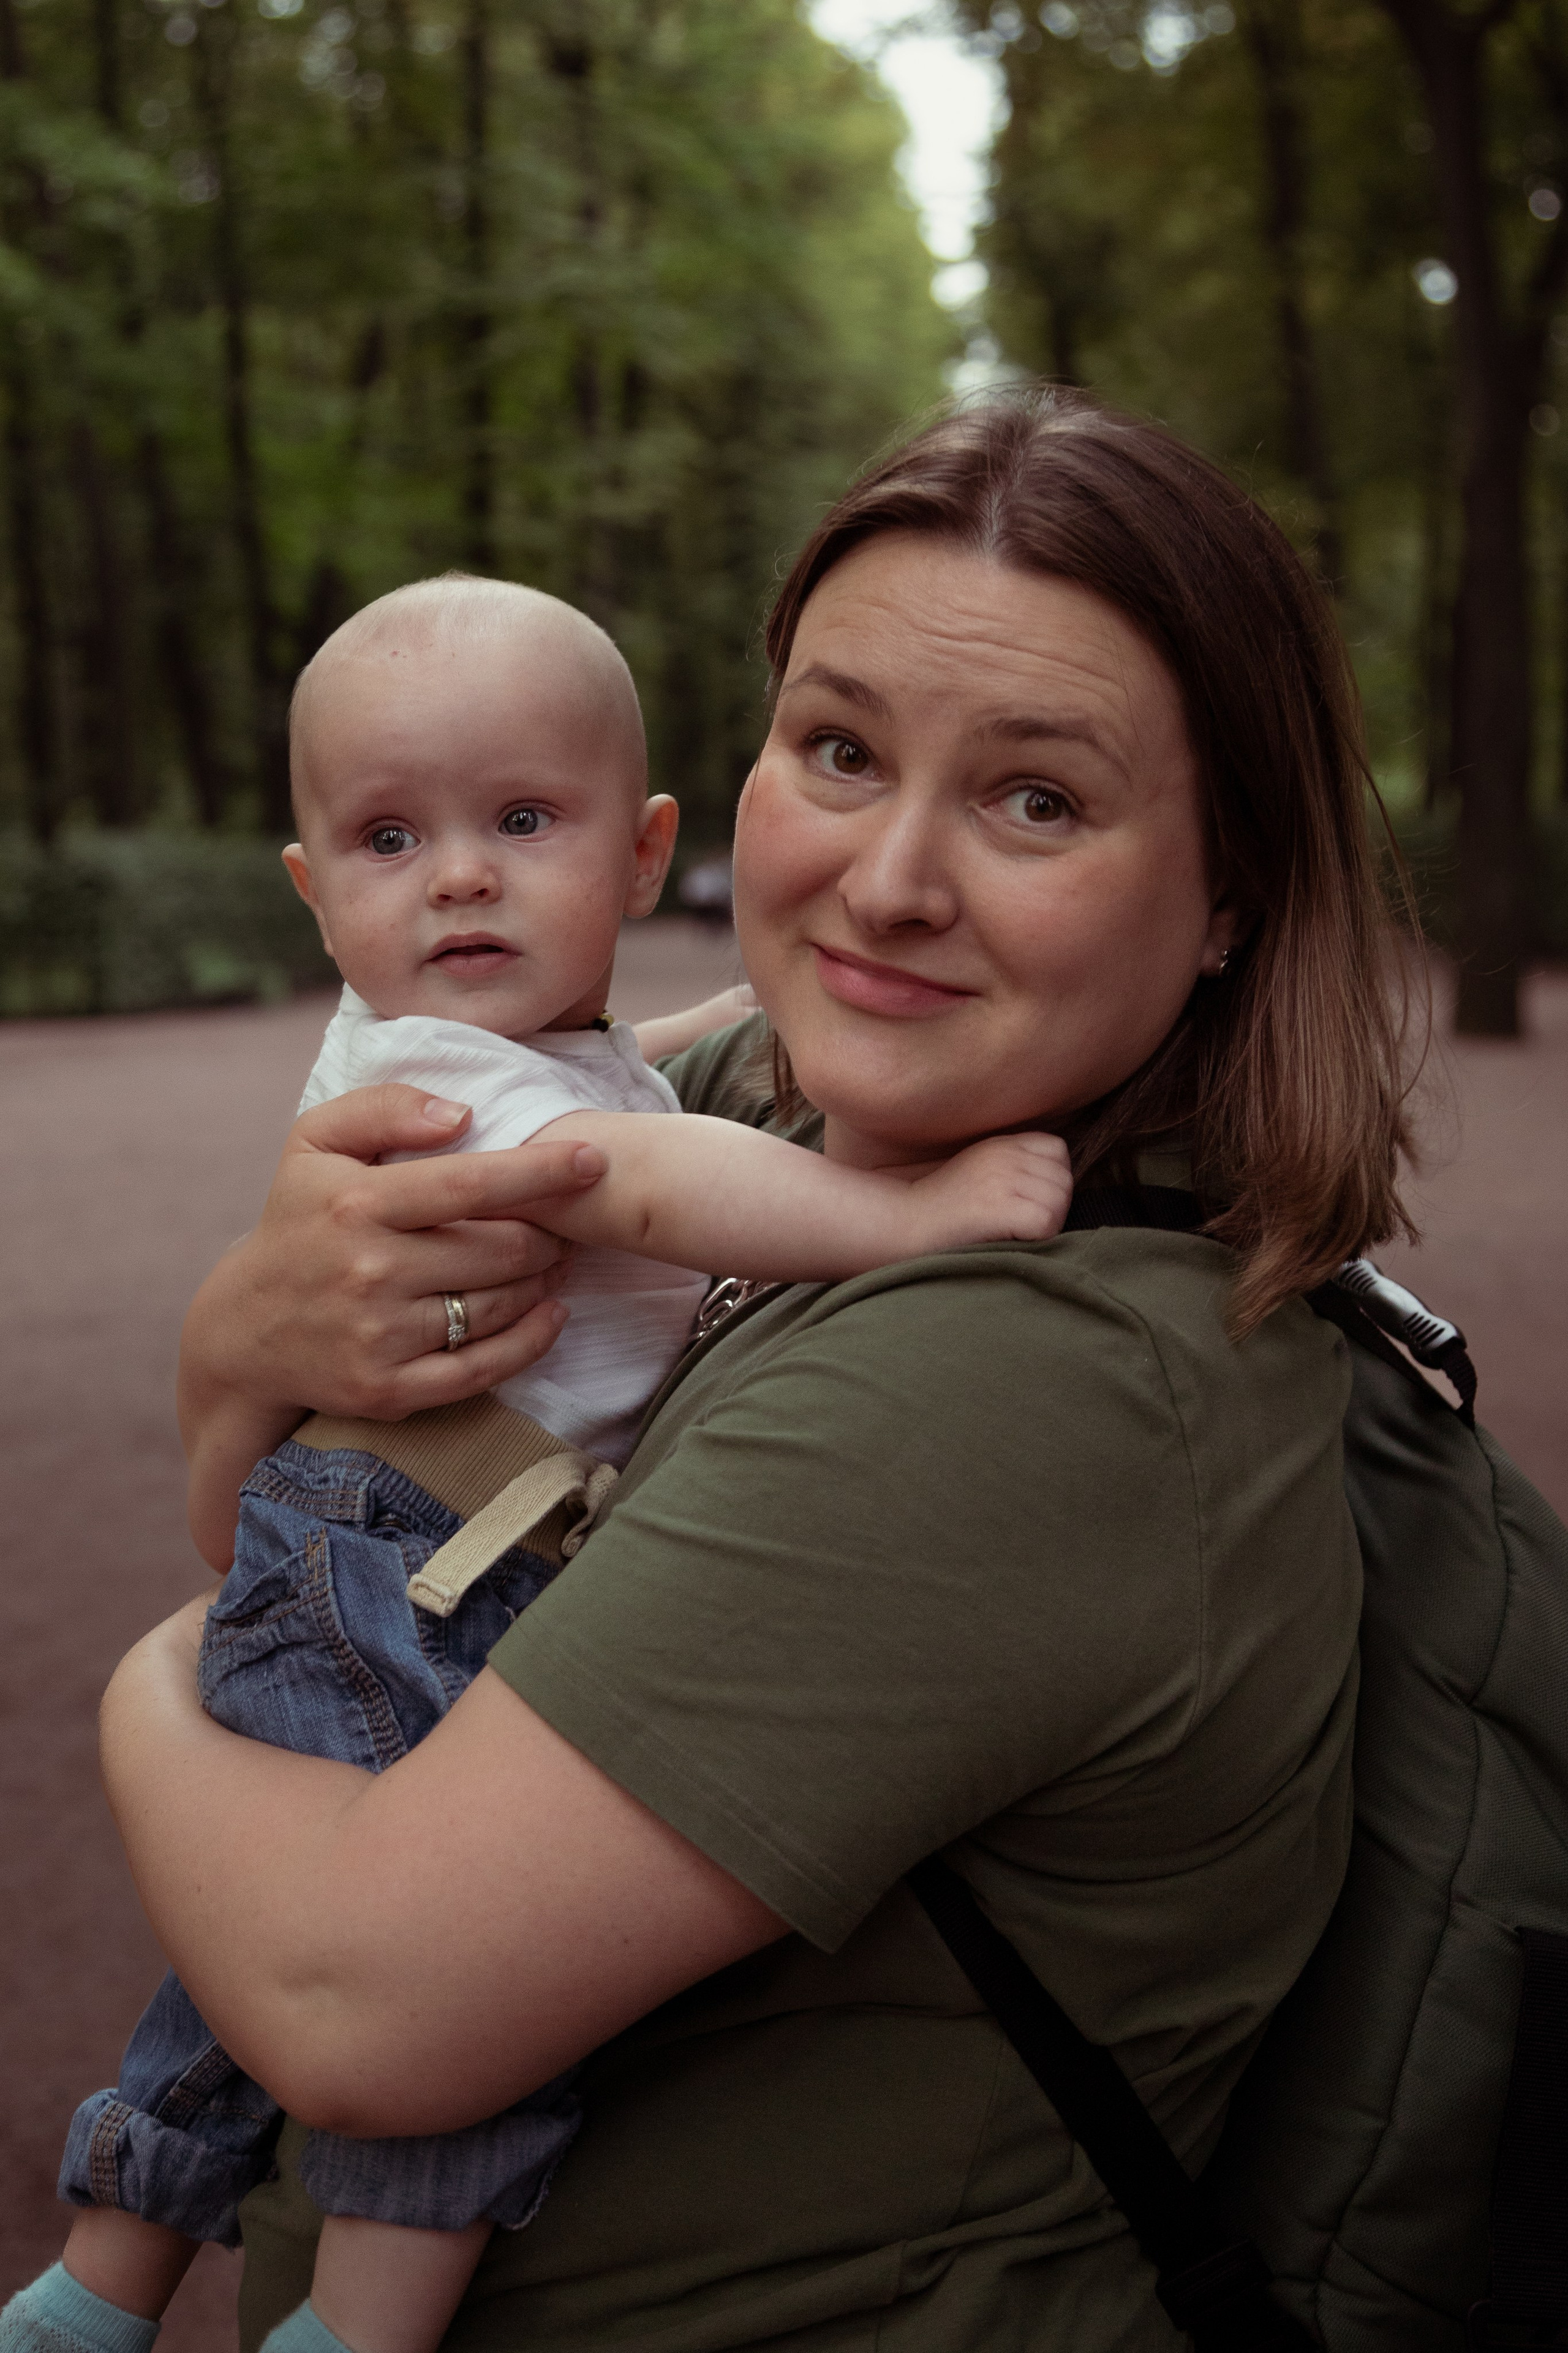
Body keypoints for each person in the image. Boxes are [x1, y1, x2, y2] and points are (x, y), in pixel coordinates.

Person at [72, 389, 1413, 2352]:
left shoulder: (1023, 1384)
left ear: (1229, 893)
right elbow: (264, 1484)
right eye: (844, 749)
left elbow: (357, 1999)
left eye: (1038, 796)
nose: (887, 882)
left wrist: (149, 1680)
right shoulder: (757, 1102)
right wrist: (234, 1343)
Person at [2, 575, 1071, 2353]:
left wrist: (741, 1004)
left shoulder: (505, 1051)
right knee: (456, 1989)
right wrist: (914, 1212)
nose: (461, 876)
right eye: (391, 837)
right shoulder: (473, 1087)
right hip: (425, 1563)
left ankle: (94, 2289)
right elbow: (629, 1179)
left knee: (238, 1966)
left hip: (351, 1533)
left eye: (519, 819)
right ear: (312, 890)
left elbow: (621, 1082)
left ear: (639, 851)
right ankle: (362, 2330)